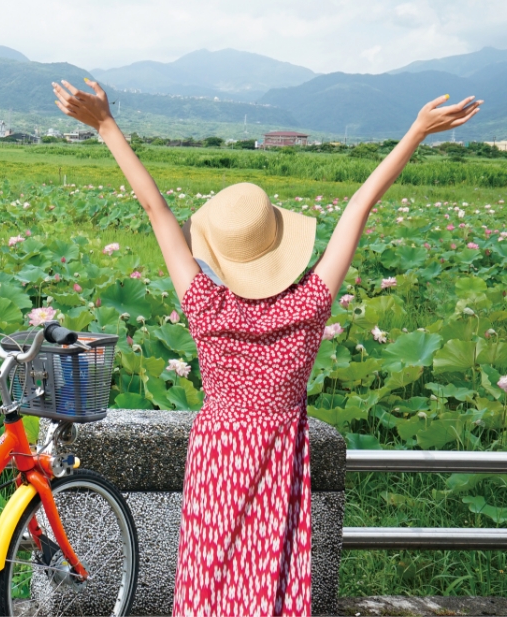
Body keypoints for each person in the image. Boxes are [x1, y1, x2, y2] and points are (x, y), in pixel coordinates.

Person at [53, 79, 481, 617]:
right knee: (265, 583)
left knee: (208, 575)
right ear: (280, 246)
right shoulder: (309, 305)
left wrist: (106, 125)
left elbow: (155, 209)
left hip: (217, 454)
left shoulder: (205, 304)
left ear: (220, 254)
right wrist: (416, 131)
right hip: (278, 457)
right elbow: (359, 205)